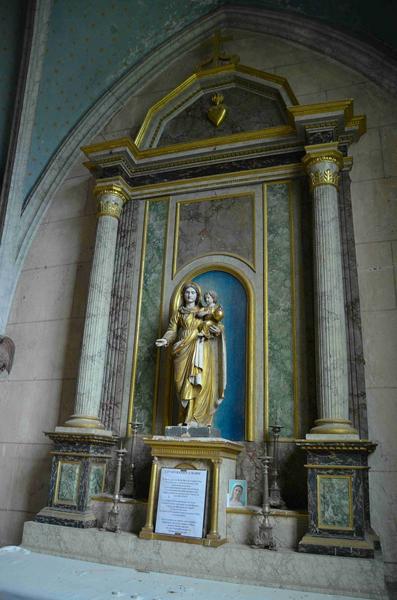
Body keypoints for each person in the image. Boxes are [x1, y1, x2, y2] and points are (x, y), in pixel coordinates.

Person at [155, 282, 226, 428]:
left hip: (200, 348)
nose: (189, 295)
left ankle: (194, 419)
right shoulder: (179, 312)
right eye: (187, 292)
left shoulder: (203, 311)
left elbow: (216, 324)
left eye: (193, 292)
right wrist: (165, 340)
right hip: (182, 347)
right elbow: (172, 330)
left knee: (197, 381)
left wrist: (217, 331)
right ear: (183, 295)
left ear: (197, 295)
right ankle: (184, 416)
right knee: (180, 384)